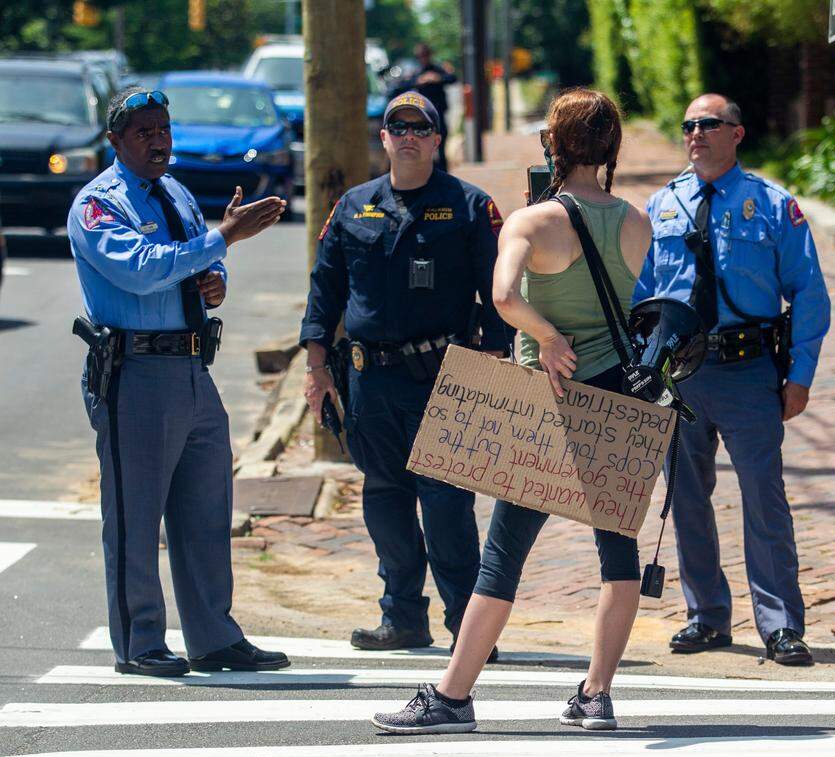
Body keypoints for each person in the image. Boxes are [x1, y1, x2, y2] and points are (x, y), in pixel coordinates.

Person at [370, 87, 653, 734]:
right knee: (618, 552)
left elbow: (501, 297)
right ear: (609, 148)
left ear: (553, 145)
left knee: (502, 555)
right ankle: (596, 692)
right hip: (615, 398)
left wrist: (549, 336)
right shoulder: (638, 221)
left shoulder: (532, 222)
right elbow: (648, 309)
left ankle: (453, 694)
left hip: (546, 401)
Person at [70, 86, 290, 676]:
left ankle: (213, 636)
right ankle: (140, 642)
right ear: (115, 141)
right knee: (135, 516)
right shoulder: (100, 204)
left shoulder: (177, 192)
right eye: (143, 131)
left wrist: (216, 276)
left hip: (193, 367)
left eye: (163, 128)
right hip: (136, 371)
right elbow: (143, 271)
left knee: (205, 511)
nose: (158, 140)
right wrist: (223, 239)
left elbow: (198, 260)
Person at [300, 91, 513, 654]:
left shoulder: (469, 206)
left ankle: (468, 628)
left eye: (422, 128)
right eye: (400, 128)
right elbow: (325, 291)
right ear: (386, 138)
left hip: (445, 376)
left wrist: (495, 361)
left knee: (446, 503)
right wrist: (316, 365)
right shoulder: (353, 207)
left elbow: (497, 295)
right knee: (385, 497)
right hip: (370, 381)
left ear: (438, 140)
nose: (410, 137)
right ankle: (402, 617)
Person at [634, 94, 831, 666]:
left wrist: (800, 375)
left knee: (763, 499)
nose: (696, 133)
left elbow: (810, 293)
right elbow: (643, 294)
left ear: (737, 133)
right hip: (682, 374)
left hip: (749, 372)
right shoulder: (662, 206)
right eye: (689, 124)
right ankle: (706, 616)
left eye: (709, 124)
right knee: (687, 497)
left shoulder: (771, 205)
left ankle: (780, 625)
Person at [389, 44, 457, 172]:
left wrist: (437, 78)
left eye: (425, 55)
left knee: (441, 145)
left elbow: (453, 78)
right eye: (420, 56)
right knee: (423, 146)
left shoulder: (437, 69)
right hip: (423, 116)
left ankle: (444, 174)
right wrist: (418, 81)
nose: (423, 58)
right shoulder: (415, 71)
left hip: (439, 112)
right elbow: (399, 86)